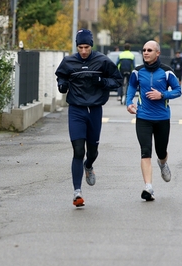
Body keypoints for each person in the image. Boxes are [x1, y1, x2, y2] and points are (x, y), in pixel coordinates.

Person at [55, 29, 122, 207]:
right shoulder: (69, 61)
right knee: (78, 150)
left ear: (91, 45)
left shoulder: (102, 61)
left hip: (94, 110)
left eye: (86, 47)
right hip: (76, 110)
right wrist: (62, 85)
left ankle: (89, 165)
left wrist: (101, 82)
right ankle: (77, 192)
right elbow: (61, 76)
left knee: (92, 152)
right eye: (80, 47)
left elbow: (117, 81)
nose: (83, 51)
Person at [126, 40, 182, 201]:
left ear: (157, 53)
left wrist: (162, 95)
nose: (145, 52)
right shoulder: (137, 72)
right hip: (143, 117)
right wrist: (129, 102)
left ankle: (163, 163)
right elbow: (131, 87)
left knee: (161, 151)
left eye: (149, 50)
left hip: (162, 118)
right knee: (145, 151)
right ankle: (148, 187)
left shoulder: (166, 72)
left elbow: (178, 90)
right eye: (143, 50)